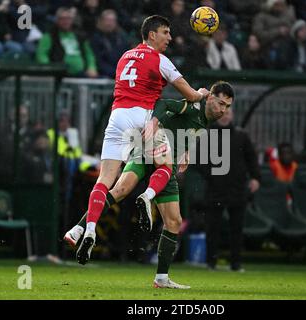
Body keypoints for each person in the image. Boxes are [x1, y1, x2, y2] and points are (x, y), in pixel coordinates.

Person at [65, 81, 234, 288]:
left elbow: (187, 128)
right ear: (210, 97)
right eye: (221, 103)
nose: (223, 110)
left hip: (154, 155)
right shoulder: (194, 104)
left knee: (171, 220)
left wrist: (187, 150)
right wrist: (154, 122)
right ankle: (146, 198)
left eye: (227, 106)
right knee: (124, 192)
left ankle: (79, 229)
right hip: (157, 153)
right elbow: (164, 105)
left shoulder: (205, 117)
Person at [75, 15, 209, 265]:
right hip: (142, 117)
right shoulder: (161, 60)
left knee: (104, 180)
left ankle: (89, 228)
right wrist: (200, 93)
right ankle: (147, 196)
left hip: (116, 118)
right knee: (166, 165)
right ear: (151, 35)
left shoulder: (124, 56)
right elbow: (190, 95)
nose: (169, 38)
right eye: (165, 32)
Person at [198, 107, 260, 272]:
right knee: (212, 227)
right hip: (214, 189)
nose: (225, 116)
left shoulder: (242, 136)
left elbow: (252, 159)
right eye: (222, 113)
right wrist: (210, 175)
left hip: (237, 188)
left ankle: (236, 263)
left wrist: (255, 178)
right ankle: (211, 262)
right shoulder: (207, 135)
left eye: (228, 113)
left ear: (232, 115)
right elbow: (199, 159)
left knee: (237, 228)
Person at [36, 7, 98, 78]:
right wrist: (50, 69)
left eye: (68, 18)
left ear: (72, 20)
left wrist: (91, 67)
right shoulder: (50, 36)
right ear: (57, 20)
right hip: (59, 74)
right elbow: (41, 54)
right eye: (62, 18)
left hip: (81, 73)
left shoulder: (80, 35)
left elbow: (89, 53)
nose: (66, 21)